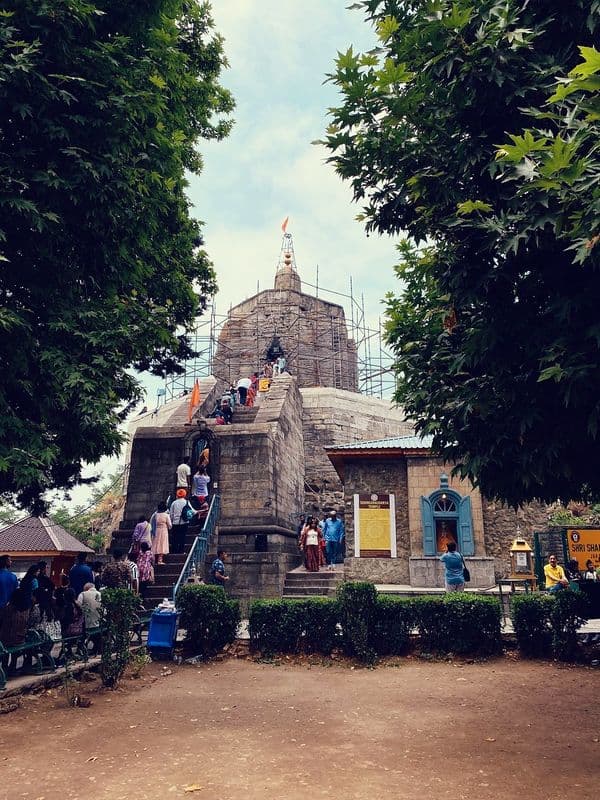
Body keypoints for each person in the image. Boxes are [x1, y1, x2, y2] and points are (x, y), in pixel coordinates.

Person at [0, 589, 31, 673]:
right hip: (21, 639)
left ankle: (4, 667)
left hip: (7, 640)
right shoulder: (26, 610)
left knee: (4, 644)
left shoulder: (7, 609)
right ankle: (13, 665)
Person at [169, 489, 192, 554]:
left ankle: (174, 550)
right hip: (184, 522)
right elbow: (191, 511)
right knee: (182, 537)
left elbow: (171, 514)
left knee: (175, 537)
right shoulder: (186, 502)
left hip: (175, 523)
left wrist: (171, 521)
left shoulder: (174, 503)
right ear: (184, 495)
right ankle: (181, 551)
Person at [152, 501, 171, 566]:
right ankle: (160, 560)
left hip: (157, 530)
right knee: (162, 544)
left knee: (155, 544)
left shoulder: (155, 515)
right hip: (164, 530)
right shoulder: (166, 515)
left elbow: (153, 523)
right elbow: (170, 525)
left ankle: (153, 559)